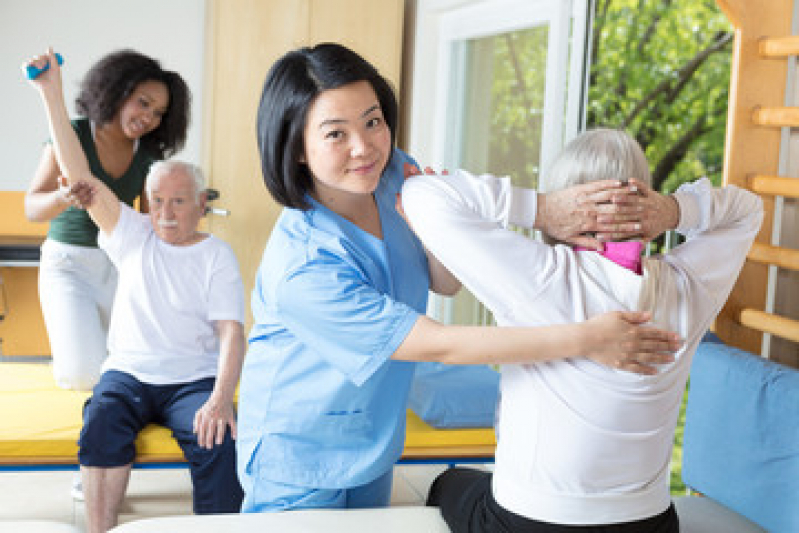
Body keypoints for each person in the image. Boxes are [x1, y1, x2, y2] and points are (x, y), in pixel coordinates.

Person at [237, 42, 682, 513]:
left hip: (371, 436)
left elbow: (444, 280)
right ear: (297, 148)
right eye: (335, 134)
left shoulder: (389, 176)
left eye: (372, 121)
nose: (363, 147)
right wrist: (587, 338)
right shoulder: (303, 267)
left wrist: (436, 222)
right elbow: (440, 345)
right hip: (297, 453)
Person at [399, 129, 763, 532]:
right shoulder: (689, 284)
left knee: (449, 481)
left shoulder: (542, 277)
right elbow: (747, 210)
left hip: (530, 522)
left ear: (566, 200)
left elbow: (421, 196)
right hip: (649, 524)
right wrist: (674, 211)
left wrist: (540, 209)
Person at [25, 50, 244, 533]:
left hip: (191, 380)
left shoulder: (216, 254)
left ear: (202, 205)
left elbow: (232, 333)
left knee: (220, 435)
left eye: (180, 202)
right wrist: (51, 93)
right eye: (158, 201)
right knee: (99, 408)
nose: (166, 212)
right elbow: (83, 180)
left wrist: (222, 397)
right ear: (146, 203)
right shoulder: (132, 231)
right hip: (117, 349)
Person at [24, 48, 190, 391]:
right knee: (84, 375)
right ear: (118, 91)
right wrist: (62, 198)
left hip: (117, 266)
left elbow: (152, 226)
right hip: (67, 264)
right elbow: (31, 208)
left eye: (159, 113)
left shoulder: (148, 156)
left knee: (130, 365)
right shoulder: (72, 135)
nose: (149, 118)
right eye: (143, 103)